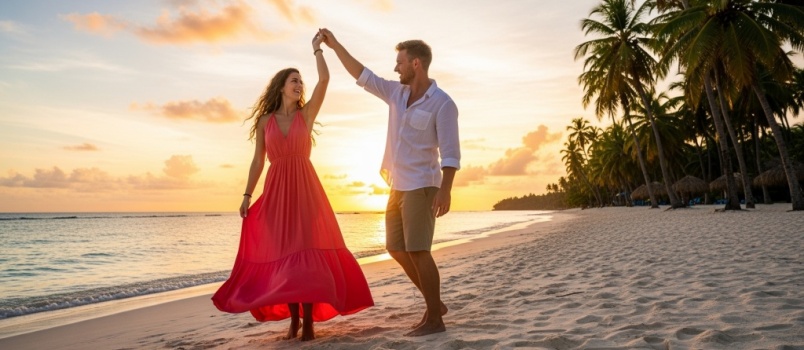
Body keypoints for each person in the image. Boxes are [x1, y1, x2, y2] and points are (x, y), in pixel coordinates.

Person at [211, 32, 374, 342]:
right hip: (276, 193)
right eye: (294, 80)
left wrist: (318, 50)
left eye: (301, 81)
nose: (299, 85)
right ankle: (295, 320)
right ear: (281, 87)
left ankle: (310, 321)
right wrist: (247, 194)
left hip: (305, 191)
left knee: (307, 259)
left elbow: (324, 81)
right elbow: (258, 162)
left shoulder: (306, 114)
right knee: (286, 259)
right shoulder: (265, 122)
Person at [318, 28, 460, 337]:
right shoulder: (396, 94)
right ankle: (434, 304)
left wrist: (446, 189)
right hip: (397, 186)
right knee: (395, 248)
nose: (395, 68)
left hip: (423, 186)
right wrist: (335, 45)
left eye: (400, 62)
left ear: (416, 64)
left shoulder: (443, 104)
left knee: (420, 251)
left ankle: (435, 318)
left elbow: (450, 151)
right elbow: (362, 74)